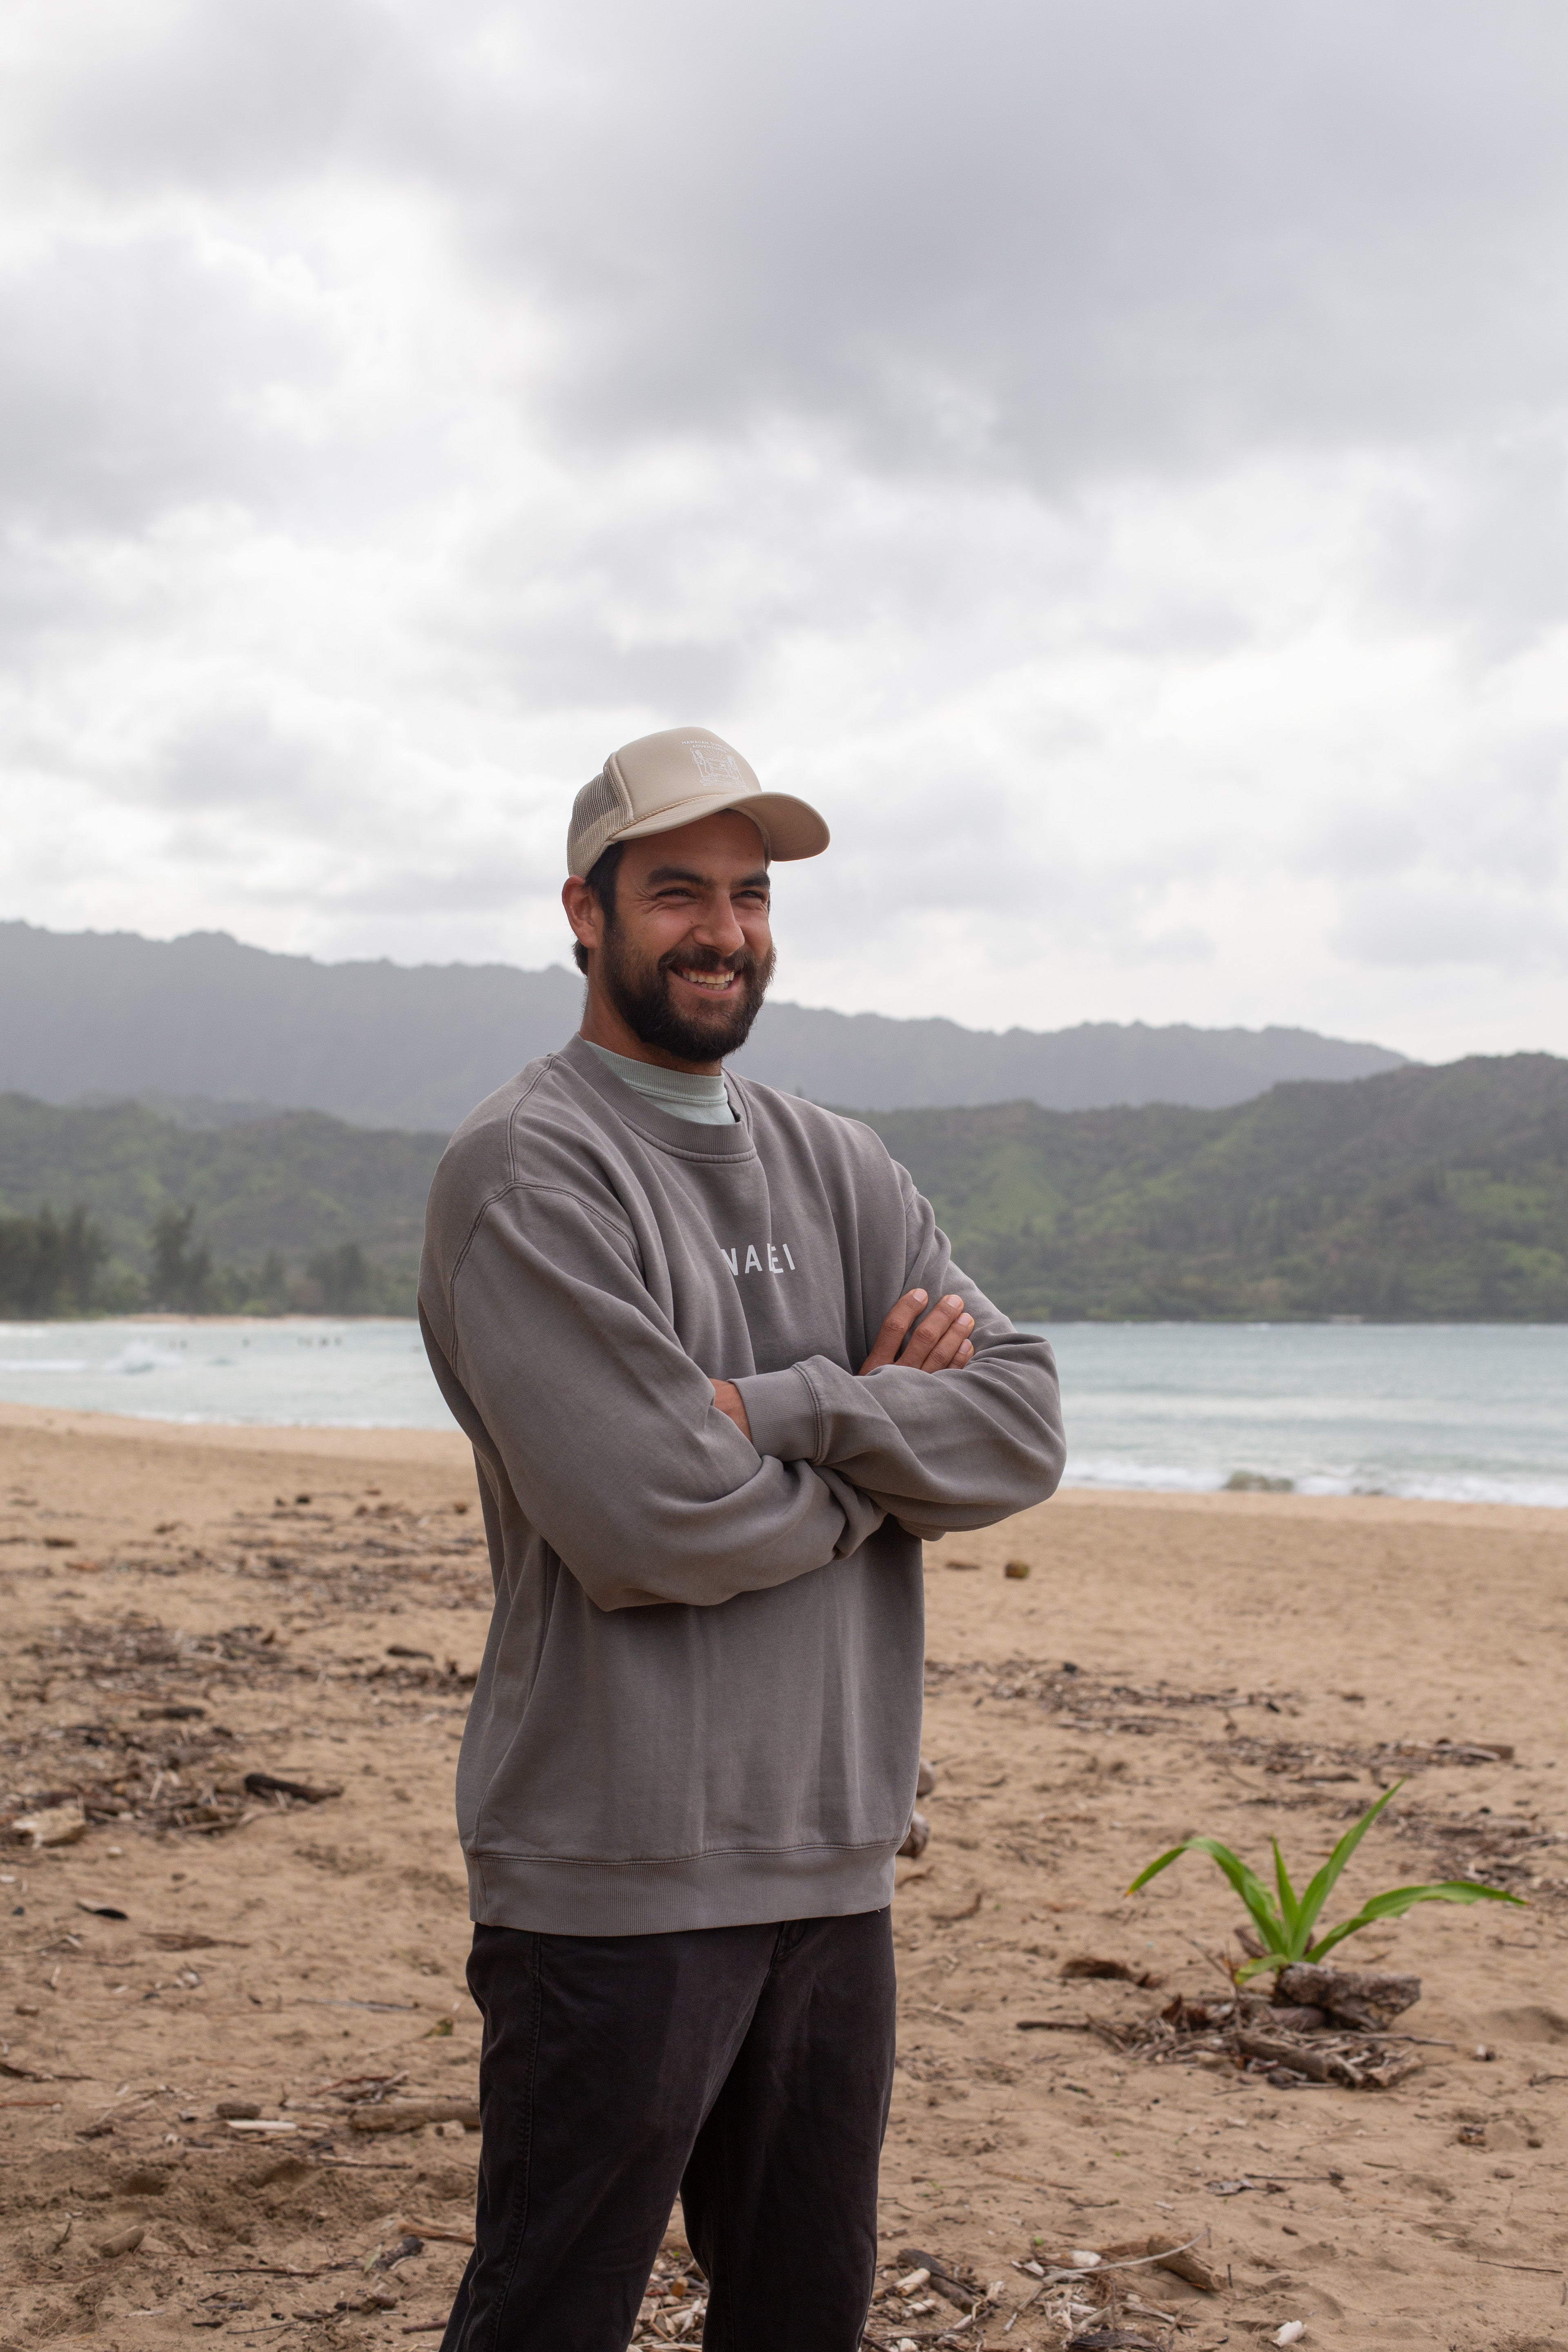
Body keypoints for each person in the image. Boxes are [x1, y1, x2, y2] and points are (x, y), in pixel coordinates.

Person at [419, 725, 1065, 2352]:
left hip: (837, 1863)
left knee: (802, 2317)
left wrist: (793, 1409)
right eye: (677, 892)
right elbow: (653, 1524)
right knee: (546, 2316)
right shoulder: (531, 1169)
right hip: (611, 1873)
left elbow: (1021, 1425)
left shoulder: (841, 1162)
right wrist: (878, 1437)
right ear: (586, 909)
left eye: (751, 895)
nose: (723, 931)